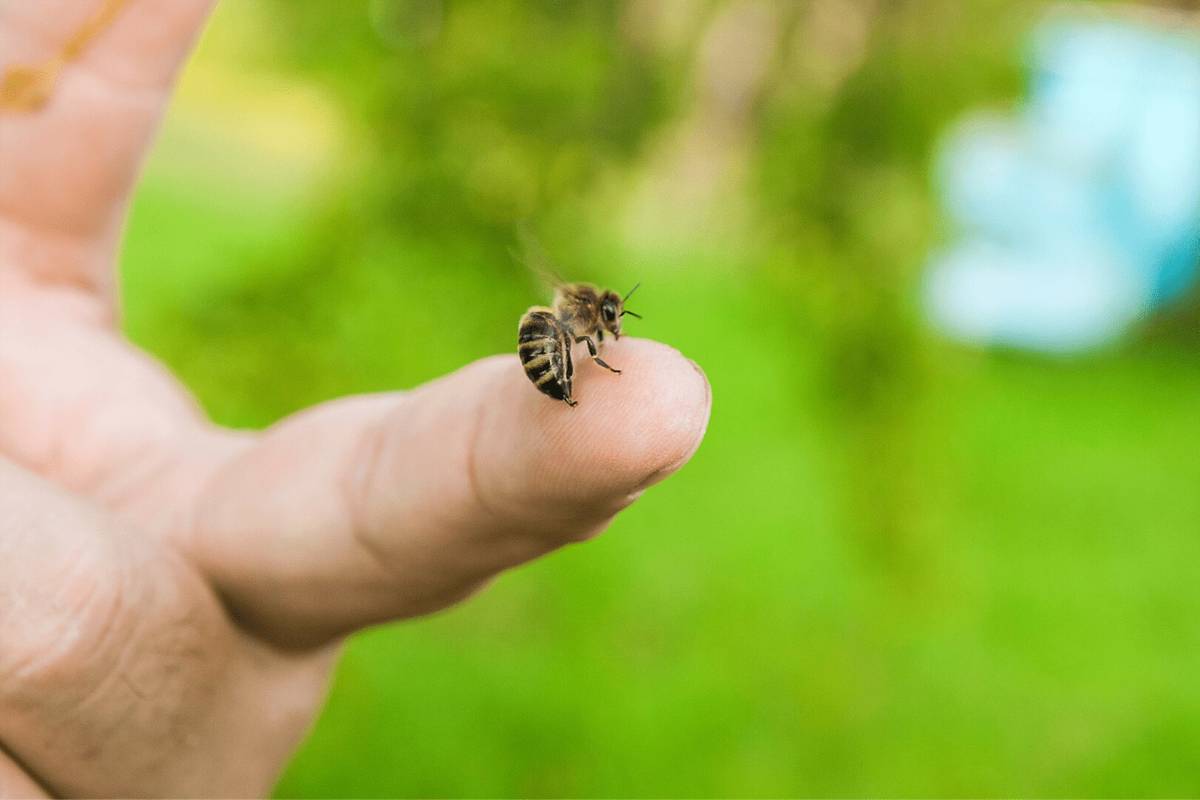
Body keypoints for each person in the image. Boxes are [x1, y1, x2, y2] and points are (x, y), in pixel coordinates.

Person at [0, 1, 710, 796]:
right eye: (609, 318)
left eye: (610, 321)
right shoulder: (573, 322)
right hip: (545, 356)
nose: (612, 324)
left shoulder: (584, 324)